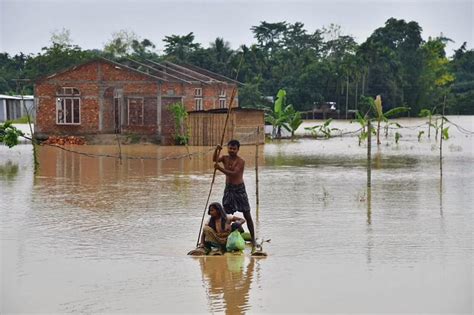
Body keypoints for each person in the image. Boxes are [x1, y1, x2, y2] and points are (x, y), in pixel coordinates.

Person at [213, 139, 256, 248]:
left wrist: (220, 169)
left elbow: (234, 174)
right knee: (224, 215)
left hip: (239, 190)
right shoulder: (225, 158)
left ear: (238, 150)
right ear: (227, 148)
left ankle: (253, 238)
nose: (231, 150)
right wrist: (216, 150)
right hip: (228, 189)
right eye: (230, 148)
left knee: (247, 213)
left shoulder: (241, 161)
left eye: (234, 149)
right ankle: (223, 237)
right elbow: (215, 160)